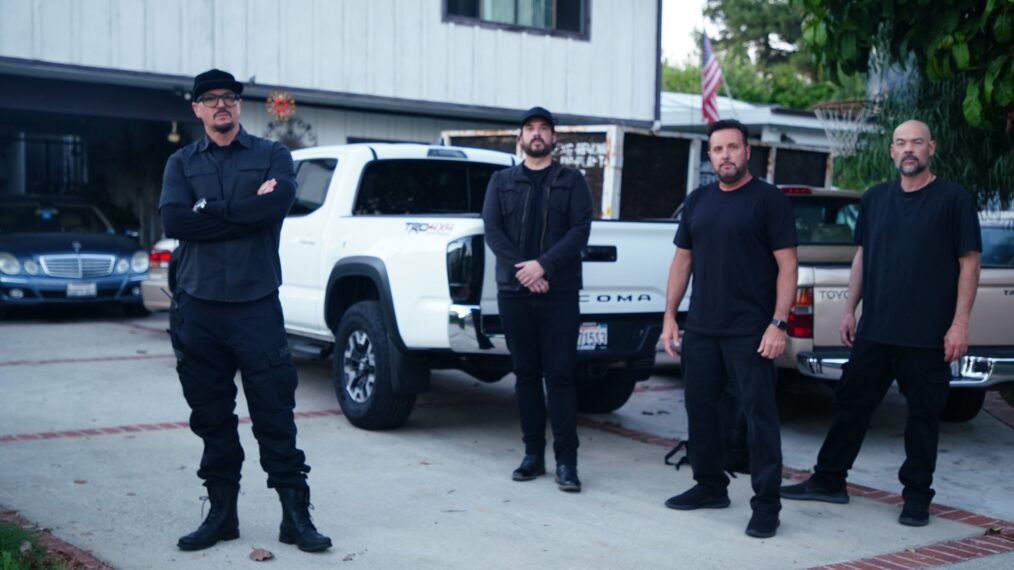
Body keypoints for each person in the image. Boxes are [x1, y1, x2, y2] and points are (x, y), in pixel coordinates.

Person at [160, 69, 331, 552]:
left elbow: (275, 205)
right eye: (211, 99)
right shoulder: (180, 162)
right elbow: (174, 219)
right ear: (196, 108)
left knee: (275, 413)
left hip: (256, 306)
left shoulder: (272, 155)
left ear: (239, 106)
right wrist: (240, 211)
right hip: (200, 308)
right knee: (211, 416)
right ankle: (222, 515)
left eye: (230, 98)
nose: (221, 105)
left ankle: (295, 517)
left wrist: (207, 211)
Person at [780, 120, 981, 527]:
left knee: (923, 419)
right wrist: (850, 309)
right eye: (902, 143)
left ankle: (917, 498)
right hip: (875, 331)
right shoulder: (875, 198)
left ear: (932, 148)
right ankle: (829, 480)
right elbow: (863, 257)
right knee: (851, 407)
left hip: (927, 336)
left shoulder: (953, 199)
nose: (909, 150)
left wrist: (959, 323)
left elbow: (969, 263)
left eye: (917, 143)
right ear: (892, 151)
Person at [660, 119, 798, 539]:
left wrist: (778, 322)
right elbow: (682, 261)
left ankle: (767, 504)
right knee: (701, 411)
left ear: (747, 151)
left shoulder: (769, 201)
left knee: (759, 417)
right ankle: (709, 485)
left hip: (751, 330)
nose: (725, 156)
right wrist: (669, 315)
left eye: (732, 148)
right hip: (702, 326)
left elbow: (787, 266)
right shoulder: (698, 200)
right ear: (710, 156)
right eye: (718, 150)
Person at [481, 106, 593, 492]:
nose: (537, 134)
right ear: (521, 137)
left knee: (560, 376)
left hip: (559, 293)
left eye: (544, 129)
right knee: (526, 376)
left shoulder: (572, 181)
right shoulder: (501, 181)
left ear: (554, 138)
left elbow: (579, 231)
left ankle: (567, 462)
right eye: (530, 129)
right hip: (515, 292)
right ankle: (532, 456)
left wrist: (543, 267)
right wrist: (525, 272)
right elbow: (493, 232)